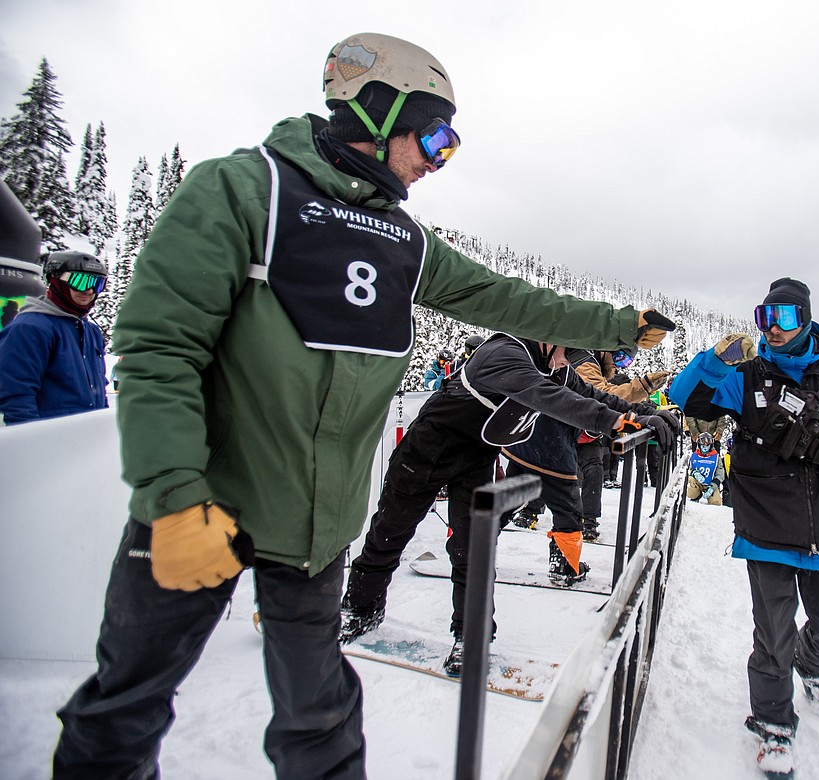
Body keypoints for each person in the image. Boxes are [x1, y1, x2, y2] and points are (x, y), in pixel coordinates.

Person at [52, 32, 676, 780]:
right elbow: (160, 350)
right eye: (436, 137)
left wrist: (615, 328)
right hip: (202, 504)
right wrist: (174, 497)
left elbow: (506, 297)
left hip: (313, 523)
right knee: (123, 710)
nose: (438, 160)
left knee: (320, 722)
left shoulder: (402, 239)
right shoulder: (243, 191)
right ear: (379, 113)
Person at [339, 334, 675, 674]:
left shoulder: (554, 366)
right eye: (563, 354)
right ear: (546, 340)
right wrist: (617, 423)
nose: (564, 363)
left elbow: (590, 395)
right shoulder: (505, 352)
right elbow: (549, 398)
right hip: (430, 448)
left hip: (476, 457)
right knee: (390, 532)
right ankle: (360, 608)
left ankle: (471, 638)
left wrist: (644, 414)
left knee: (473, 551)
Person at [668, 278, 819, 779]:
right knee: (773, 635)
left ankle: (814, 667)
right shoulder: (745, 377)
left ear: (806, 319)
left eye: (784, 318)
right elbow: (687, 401)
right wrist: (714, 360)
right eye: (765, 317)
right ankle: (773, 726)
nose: (773, 328)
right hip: (764, 525)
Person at [567, 345, 670, 540]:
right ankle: (530, 511)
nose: (618, 364)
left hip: (586, 432)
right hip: (565, 428)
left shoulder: (598, 365)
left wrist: (646, 411)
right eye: (619, 357)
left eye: (626, 362)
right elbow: (604, 394)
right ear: (605, 350)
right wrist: (643, 389)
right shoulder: (586, 360)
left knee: (594, 471)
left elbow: (607, 398)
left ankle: (588, 520)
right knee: (555, 474)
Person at [0, 251, 109, 425]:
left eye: (97, 284)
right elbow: (16, 394)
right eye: (80, 282)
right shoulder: (30, 328)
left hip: (87, 438)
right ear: (55, 281)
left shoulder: (92, 331)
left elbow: (98, 391)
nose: (89, 291)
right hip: (51, 439)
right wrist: (30, 440)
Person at [686, 432, 726, 505]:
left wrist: (713, 486)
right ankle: (696, 496)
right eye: (703, 444)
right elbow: (689, 469)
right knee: (691, 480)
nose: (705, 447)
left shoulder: (716, 457)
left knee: (716, 502)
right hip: (698, 482)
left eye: (707, 445)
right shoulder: (694, 456)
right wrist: (694, 473)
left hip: (711, 484)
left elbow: (720, 473)